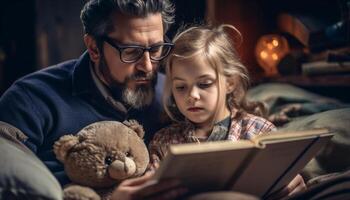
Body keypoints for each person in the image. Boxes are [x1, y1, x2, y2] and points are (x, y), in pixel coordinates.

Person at [0, 0, 181, 195]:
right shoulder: (30, 99)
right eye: (131, 52)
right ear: (94, 48)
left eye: (155, 49)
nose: (147, 66)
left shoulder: (175, 93)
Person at [148, 24, 306, 199]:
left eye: (204, 84)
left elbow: (285, 180)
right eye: (181, 87)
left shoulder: (259, 131)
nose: (192, 95)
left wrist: (291, 185)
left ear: (230, 83)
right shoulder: (164, 142)